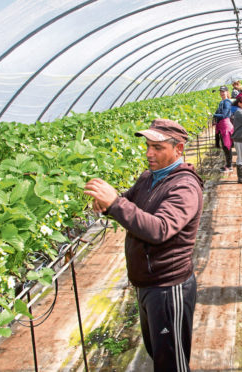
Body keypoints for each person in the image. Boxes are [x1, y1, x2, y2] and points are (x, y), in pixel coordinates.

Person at [84, 118, 203, 372]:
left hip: (169, 288)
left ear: (178, 149)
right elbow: (128, 201)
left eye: (158, 148)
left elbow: (159, 229)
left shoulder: (185, 186)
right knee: (156, 352)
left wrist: (115, 203)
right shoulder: (149, 177)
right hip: (148, 284)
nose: (149, 153)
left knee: (172, 363)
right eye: (148, 146)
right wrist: (107, 205)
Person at [213, 86, 234, 172]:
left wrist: (213, 115)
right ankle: (228, 164)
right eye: (221, 92)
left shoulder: (227, 102)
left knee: (227, 145)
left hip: (225, 126)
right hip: (222, 126)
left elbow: (224, 115)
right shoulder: (222, 102)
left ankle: (229, 166)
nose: (222, 93)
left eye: (224, 92)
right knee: (225, 146)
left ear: (227, 92)